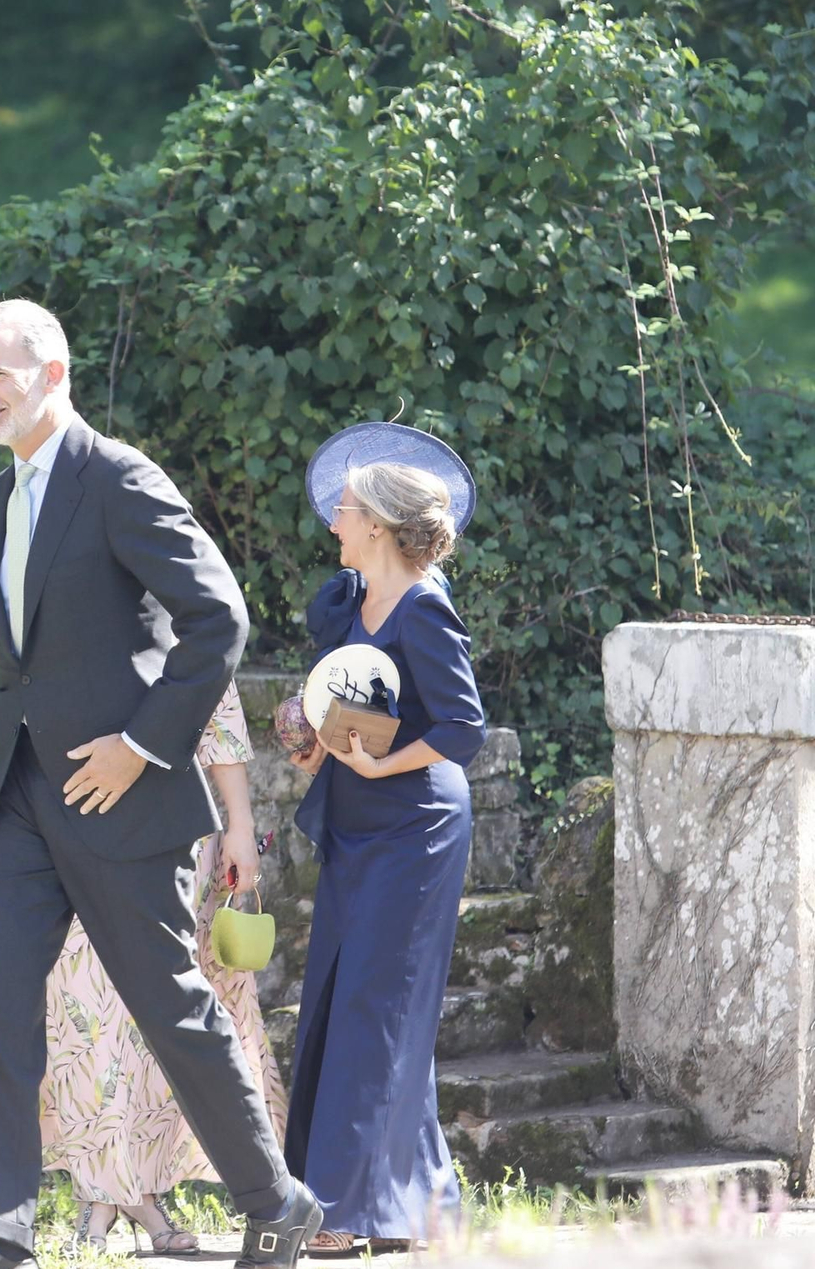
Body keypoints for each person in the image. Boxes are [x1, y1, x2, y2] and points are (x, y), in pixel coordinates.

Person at [0, 298, 321, 1269]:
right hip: (24, 804)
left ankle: (274, 1202)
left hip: (125, 794)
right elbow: (12, 676)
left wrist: (142, 745)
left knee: (171, 1007)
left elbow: (217, 620)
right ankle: (0, 1237)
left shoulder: (115, 476)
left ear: (53, 373)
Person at [286, 438, 485, 1254]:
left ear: (375, 523)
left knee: (378, 1004)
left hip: (416, 829)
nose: (332, 516)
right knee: (349, 996)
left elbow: (461, 727)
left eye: (345, 507)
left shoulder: (426, 607)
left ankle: (343, 1209)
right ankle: (423, 1209)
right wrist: (311, 738)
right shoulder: (348, 598)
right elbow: (347, 696)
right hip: (356, 820)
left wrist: (381, 761)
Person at [35, 681, 288, 1254]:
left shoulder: (181, 597)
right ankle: (105, 1196)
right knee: (88, 1012)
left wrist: (241, 828)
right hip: (76, 829)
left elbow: (218, 714)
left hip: (176, 839)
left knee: (154, 1020)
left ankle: (134, 1193)